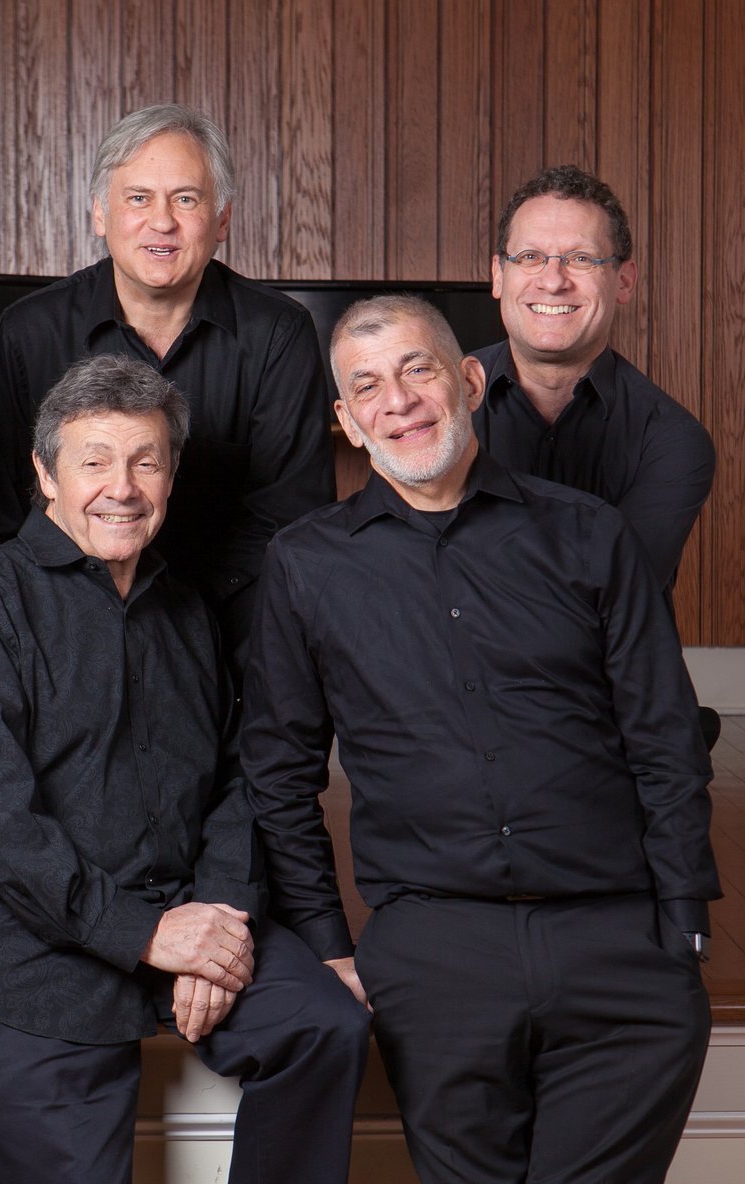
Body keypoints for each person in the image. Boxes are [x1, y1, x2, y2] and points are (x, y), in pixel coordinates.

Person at [243, 294, 720, 1184]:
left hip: (617, 942)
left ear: (468, 381)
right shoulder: (307, 566)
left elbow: (663, 734)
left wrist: (683, 923)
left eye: (419, 369)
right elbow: (278, 769)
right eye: (367, 386)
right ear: (347, 423)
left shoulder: (589, 534)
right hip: (434, 955)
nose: (400, 400)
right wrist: (326, 939)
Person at [0, 355, 368, 1184]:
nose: (124, 487)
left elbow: (235, 779)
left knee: (324, 1027)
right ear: (46, 475)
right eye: (94, 462)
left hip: (178, 911)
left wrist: (217, 923)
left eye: (146, 461)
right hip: (13, 944)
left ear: (172, 475)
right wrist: (145, 935)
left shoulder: (187, 608)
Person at [0, 103, 335, 675]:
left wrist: (178, 625)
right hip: (59, 628)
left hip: (227, 624)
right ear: (100, 214)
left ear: (222, 219)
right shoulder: (28, 333)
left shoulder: (278, 333)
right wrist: (75, 620)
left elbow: (290, 523)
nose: (162, 222)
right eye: (138, 198)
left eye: (186, 198)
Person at [473, 164, 715, 594]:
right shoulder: (435, 404)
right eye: (530, 257)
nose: (552, 281)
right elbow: (402, 572)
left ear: (623, 281)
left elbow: (615, 600)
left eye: (580, 259)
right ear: (498, 274)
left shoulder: (671, 439)